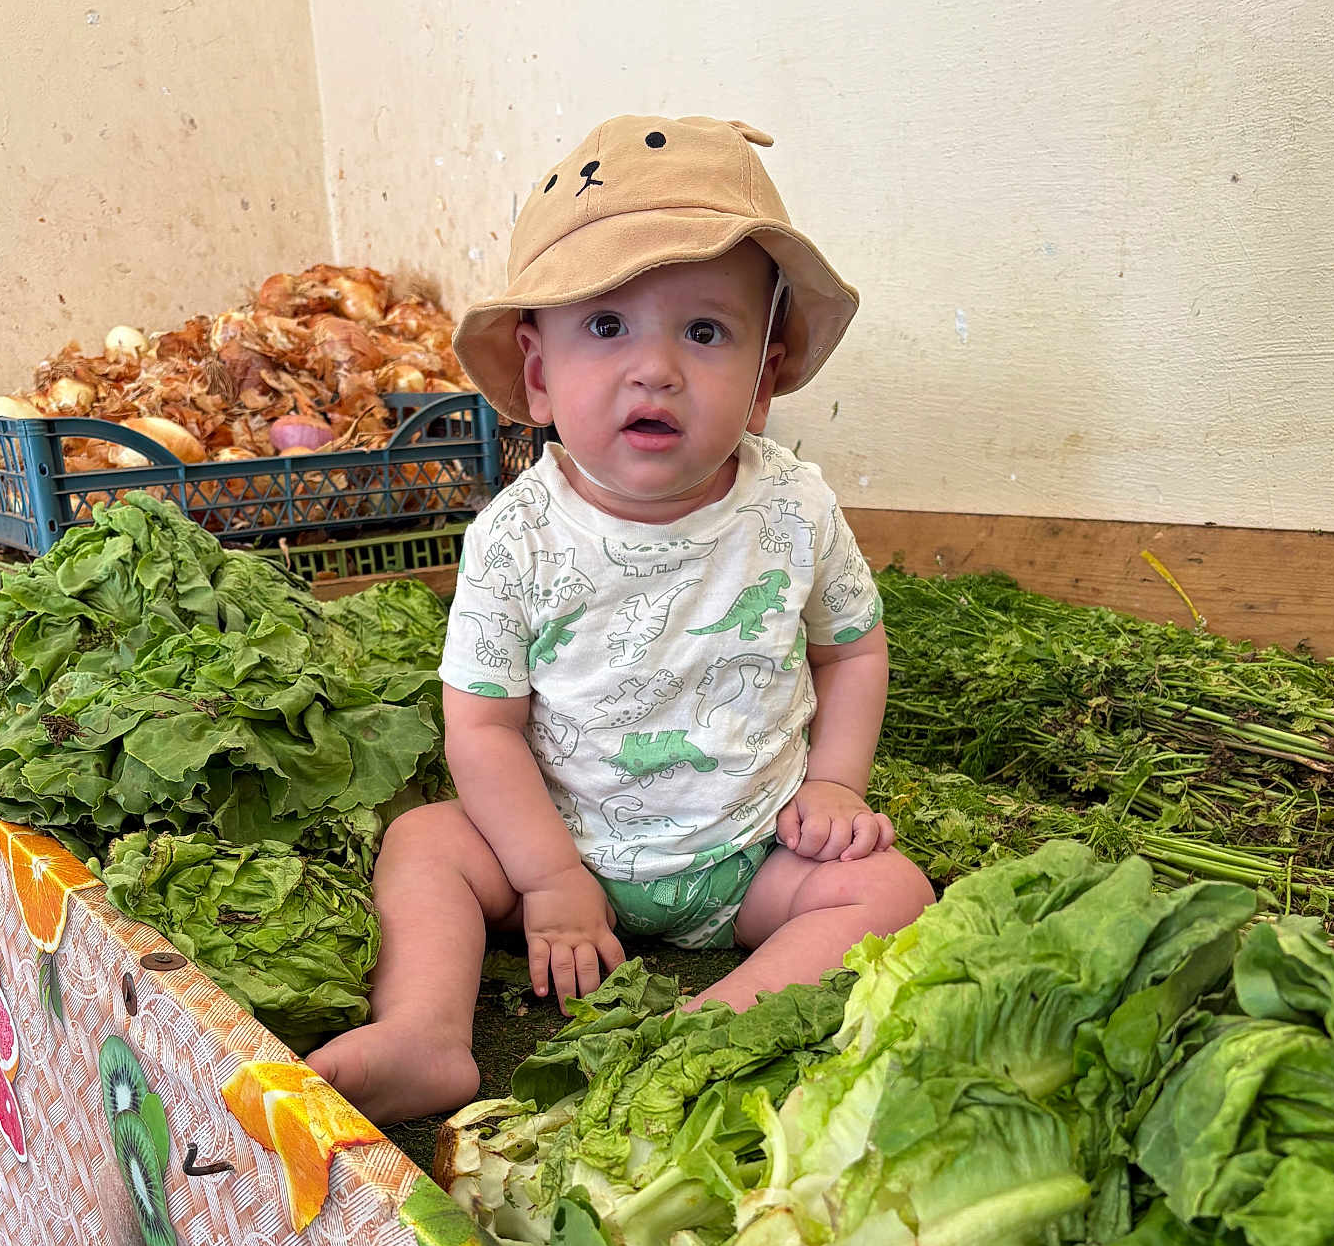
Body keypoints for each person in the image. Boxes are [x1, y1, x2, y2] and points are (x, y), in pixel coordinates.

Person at [307, 114, 934, 1124]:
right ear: (541, 374)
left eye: (704, 331)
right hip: (557, 847)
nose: (656, 369)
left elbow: (853, 651)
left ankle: (710, 1030)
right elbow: (482, 726)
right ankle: (424, 1033)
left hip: (746, 856)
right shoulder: (517, 539)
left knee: (893, 890)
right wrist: (551, 880)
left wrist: (831, 784)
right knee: (425, 842)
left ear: (764, 379)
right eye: (606, 328)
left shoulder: (795, 509)